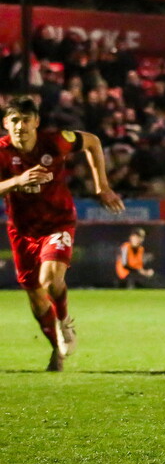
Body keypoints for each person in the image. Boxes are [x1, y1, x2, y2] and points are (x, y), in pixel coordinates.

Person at [0, 96, 125, 371]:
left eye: (26, 120)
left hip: (57, 222)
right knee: (36, 298)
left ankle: (64, 320)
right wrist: (17, 181)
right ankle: (56, 347)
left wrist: (102, 186)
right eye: (15, 120)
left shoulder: (56, 141)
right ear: (6, 124)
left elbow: (92, 141)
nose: (20, 126)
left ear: (36, 122)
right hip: (22, 231)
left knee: (50, 280)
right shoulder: (2, 152)